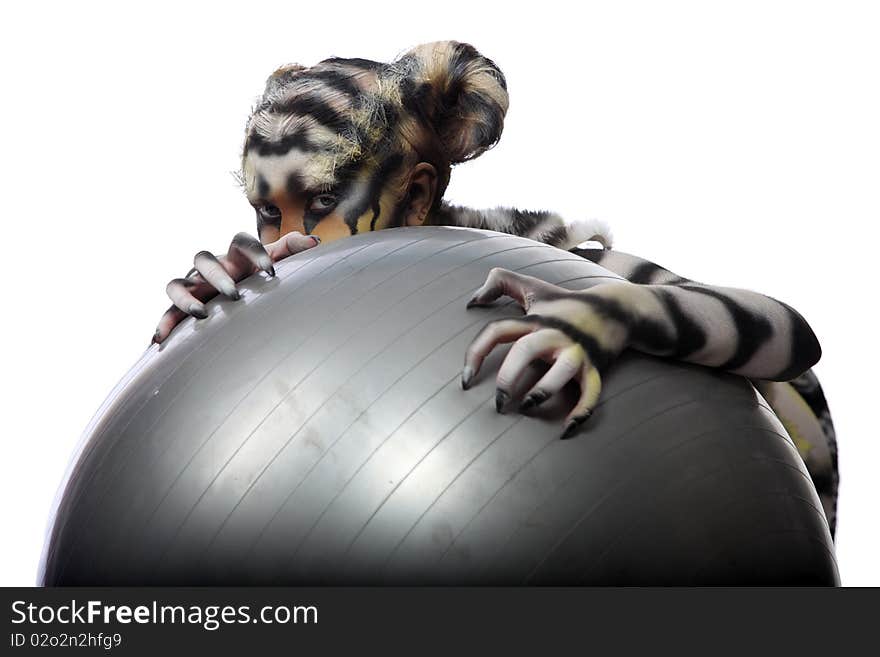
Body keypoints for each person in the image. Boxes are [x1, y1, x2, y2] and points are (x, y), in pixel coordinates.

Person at [152, 40, 838, 535]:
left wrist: (618, 311)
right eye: (267, 210)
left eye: (322, 201)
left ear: (417, 193)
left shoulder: (550, 264)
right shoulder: (308, 299)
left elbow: (790, 338)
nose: (284, 242)